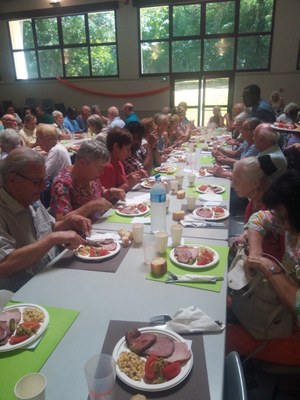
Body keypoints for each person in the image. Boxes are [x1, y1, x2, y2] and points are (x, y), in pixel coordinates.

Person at [227, 170, 300, 365]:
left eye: (285, 218)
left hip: (293, 329)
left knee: (224, 337)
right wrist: (256, 253)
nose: (282, 225)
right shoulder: (291, 222)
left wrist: (269, 268)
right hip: (277, 308)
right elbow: (260, 218)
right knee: (223, 301)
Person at [0, 147, 90, 292]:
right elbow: (3, 266)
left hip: (54, 275)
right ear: (12, 179)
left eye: (45, 180)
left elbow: (49, 228)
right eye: (36, 182)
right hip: (22, 295)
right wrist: (52, 239)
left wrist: (69, 222)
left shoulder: (30, 197)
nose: (43, 187)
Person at [50, 140, 125, 221]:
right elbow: (61, 220)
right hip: (82, 232)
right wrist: (91, 206)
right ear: (82, 162)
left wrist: (110, 192)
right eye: (99, 168)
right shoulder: (62, 183)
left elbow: (99, 194)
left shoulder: (90, 176)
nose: (102, 172)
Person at [230, 157, 285, 260]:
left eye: (237, 181)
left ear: (255, 184)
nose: (233, 185)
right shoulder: (254, 201)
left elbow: (282, 255)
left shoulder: (274, 210)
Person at [100, 127, 146, 192]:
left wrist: (132, 175)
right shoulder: (107, 167)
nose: (129, 152)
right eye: (127, 149)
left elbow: (119, 183)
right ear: (116, 147)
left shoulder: (118, 162)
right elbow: (108, 196)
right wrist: (129, 184)